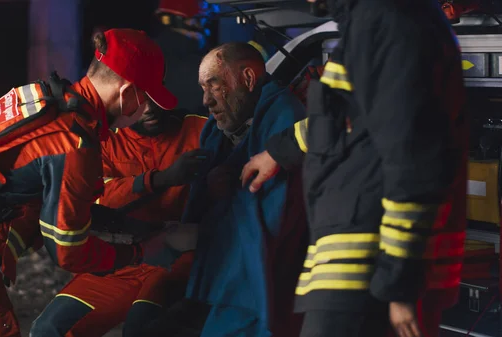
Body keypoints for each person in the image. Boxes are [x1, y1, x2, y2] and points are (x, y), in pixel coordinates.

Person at [0, 28, 183, 337]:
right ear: (127, 93)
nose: (146, 110)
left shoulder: (45, 96)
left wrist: (125, 225)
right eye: (147, 99)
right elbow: (67, 250)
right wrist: (140, 253)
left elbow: (42, 196)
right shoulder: (74, 142)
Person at [240, 1, 467, 337]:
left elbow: (413, 158)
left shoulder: (390, 20)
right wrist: (278, 151)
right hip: (364, 274)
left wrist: (400, 285)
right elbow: (354, 122)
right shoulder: (378, 20)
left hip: (371, 277)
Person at [139, 42, 307, 337]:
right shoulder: (215, 131)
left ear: (249, 79)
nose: (205, 101)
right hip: (212, 282)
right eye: (203, 89)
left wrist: (226, 192)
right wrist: (205, 185)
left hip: (251, 291)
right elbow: (199, 206)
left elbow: (278, 216)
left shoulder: (284, 117)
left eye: (214, 86)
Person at [30, 105, 208, 337]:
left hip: (178, 259)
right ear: (123, 99)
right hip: (123, 259)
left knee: (142, 329)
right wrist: (160, 179)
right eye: (139, 101)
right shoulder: (100, 140)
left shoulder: (200, 128)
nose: (148, 109)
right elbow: (94, 200)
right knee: (48, 330)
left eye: (153, 97)